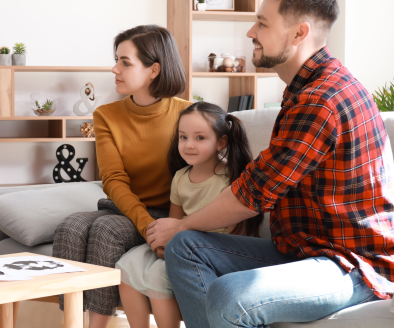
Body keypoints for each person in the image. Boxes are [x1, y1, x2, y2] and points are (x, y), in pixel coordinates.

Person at [147, 0, 394, 327]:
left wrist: (179, 224)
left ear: (299, 33)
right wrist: (181, 231)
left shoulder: (320, 100)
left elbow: (254, 194)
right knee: (185, 247)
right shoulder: (306, 89)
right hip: (304, 252)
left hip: (351, 266)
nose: (251, 32)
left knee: (228, 295)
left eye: (262, 24)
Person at [52, 25, 191, 328]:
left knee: (107, 230)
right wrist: (145, 223)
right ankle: (71, 322)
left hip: (167, 211)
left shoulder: (189, 115)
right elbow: (113, 179)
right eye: (117, 60)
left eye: (125, 62)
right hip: (128, 208)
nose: (114, 69)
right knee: (70, 227)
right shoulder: (106, 115)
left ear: (154, 69)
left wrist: (164, 226)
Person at [116, 102, 264, 328]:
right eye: (183, 137)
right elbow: (174, 224)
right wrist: (162, 244)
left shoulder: (231, 179)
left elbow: (237, 233)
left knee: (157, 275)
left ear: (221, 142)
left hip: (212, 251)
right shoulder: (180, 178)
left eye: (200, 138)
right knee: (126, 265)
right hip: (179, 244)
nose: (189, 145)